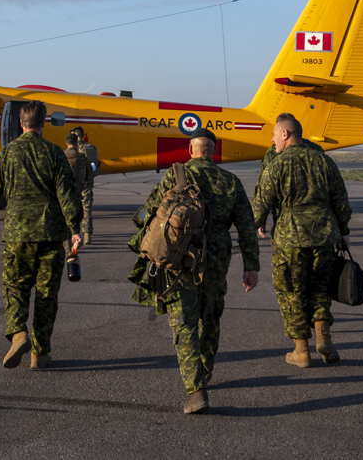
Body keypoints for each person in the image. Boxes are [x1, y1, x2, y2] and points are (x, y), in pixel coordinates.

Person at [136, 127, 260, 414]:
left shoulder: (176, 175)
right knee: (210, 317)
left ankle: (196, 390)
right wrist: (251, 266)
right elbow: (246, 226)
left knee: (184, 322)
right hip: (216, 260)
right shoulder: (230, 181)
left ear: (191, 150)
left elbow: (149, 210)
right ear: (213, 152)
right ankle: (205, 369)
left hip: (181, 259)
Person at [0, 101, 83, 370]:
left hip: (17, 235)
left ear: (21, 123)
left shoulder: (7, 153)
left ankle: (18, 333)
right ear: (43, 123)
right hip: (50, 236)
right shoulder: (55, 153)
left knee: (15, 288)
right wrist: (75, 230)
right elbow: (68, 195)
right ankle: (40, 353)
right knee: (47, 295)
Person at [253, 113, 352, 368]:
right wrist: (344, 230)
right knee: (321, 288)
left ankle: (301, 351)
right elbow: (340, 199)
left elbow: (261, 201)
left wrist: (256, 223)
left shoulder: (277, 164)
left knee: (292, 291)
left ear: (285, 134)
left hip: (291, 237)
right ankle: (323, 337)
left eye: (275, 134)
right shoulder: (324, 161)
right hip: (324, 234)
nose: (273, 140)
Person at [70, 126, 99, 243]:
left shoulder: (72, 150)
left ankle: (72, 235)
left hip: (73, 184)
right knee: (87, 209)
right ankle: (87, 236)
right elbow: (96, 165)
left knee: (71, 209)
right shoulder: (91, 148)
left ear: (76, 136)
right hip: (87, 183)